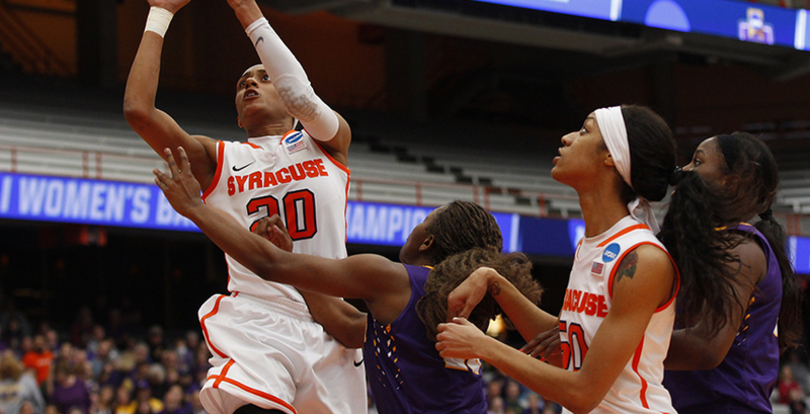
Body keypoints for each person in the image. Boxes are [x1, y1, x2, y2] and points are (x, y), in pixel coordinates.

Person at [123, 0, 364, 414]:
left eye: (262, 77)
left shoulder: (327, 141)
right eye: (242, 83)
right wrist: (160, 13)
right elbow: (139, 110)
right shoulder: (221, 158)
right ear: (236, 113)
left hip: (329, 321)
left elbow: (303, 95)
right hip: (258, 316)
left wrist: (245, 9)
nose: (251, 83)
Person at [153, 145, 544, 414]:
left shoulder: (391, 278)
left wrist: (194, 208)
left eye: (422, 221)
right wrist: (294, 257)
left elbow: (267, 265)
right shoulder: (454, 301)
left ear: (428, 240)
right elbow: (349, 326)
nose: (413, 227)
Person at [435, 105, 682, 413]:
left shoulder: (641, 258)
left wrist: (484, 346)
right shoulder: (591, 245)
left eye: (584, 130)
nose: (566, 139)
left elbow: (582, 394)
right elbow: (565, 351)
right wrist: (492, 280)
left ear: (612, 157)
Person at [662, 132, 803, 413]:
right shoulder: (703, 245)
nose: (684, 172)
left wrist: (616, 338)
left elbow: (706, 348)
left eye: (697, 162)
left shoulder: (741, 249)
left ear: (730, 183)